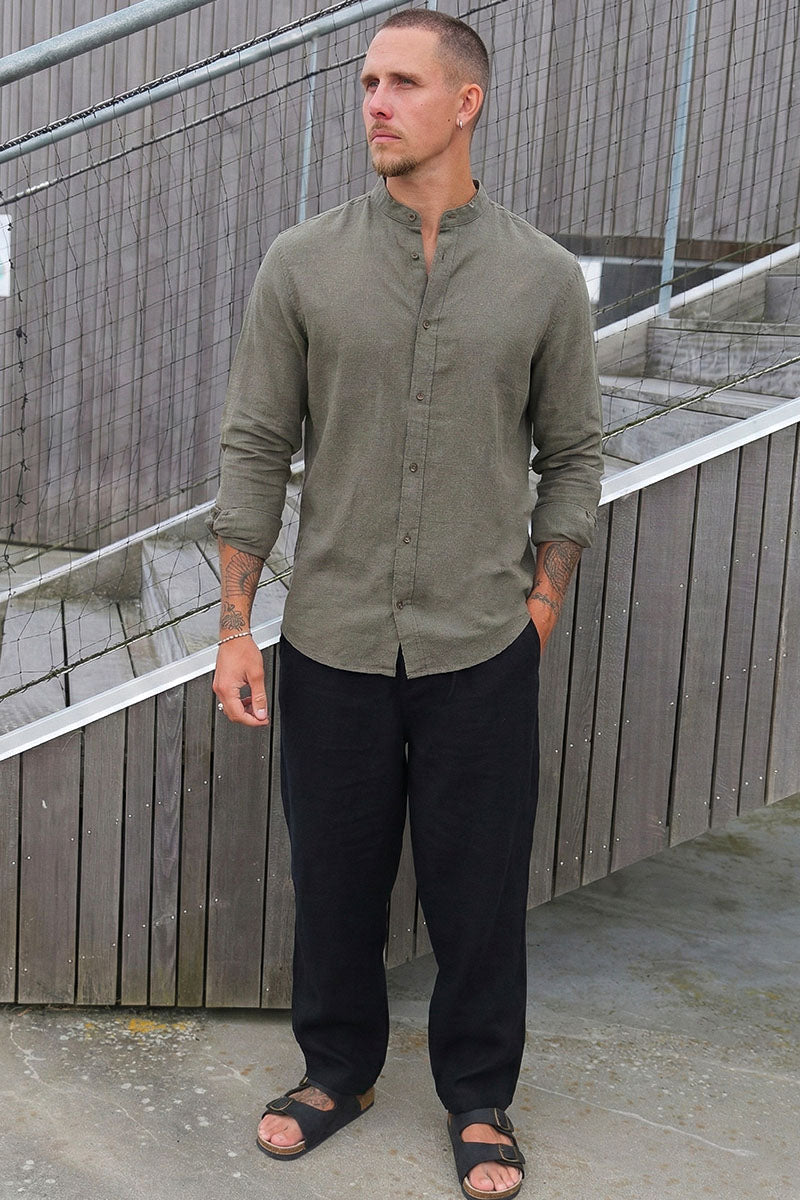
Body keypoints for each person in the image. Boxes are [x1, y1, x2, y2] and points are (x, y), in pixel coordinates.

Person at [209, 9, 603, 1198]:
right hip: (329, 636)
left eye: (401, 83)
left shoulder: (539, 277)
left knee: (477, 889)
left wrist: (540, 605)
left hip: (480, 642)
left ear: (464, 102)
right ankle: (337, 1073)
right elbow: (255, 440)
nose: (374, 103)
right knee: (333, 877)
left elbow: (572, 453)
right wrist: (234, 626)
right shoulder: (302, 262)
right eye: (366, 81)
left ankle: (478, 1098)